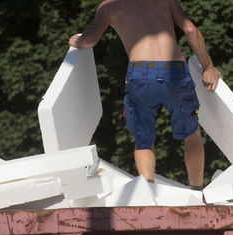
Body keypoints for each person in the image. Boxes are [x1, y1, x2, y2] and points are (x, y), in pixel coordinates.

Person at [69, 0, 222, 190]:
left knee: (143, 140)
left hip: (141, 73)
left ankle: (148, 194)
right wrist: (208, 67)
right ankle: (197, 192)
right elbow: (190, 30)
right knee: (192, 133)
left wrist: (76, 40)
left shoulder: (108, 6)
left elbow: (90, 40)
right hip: (175, 70)